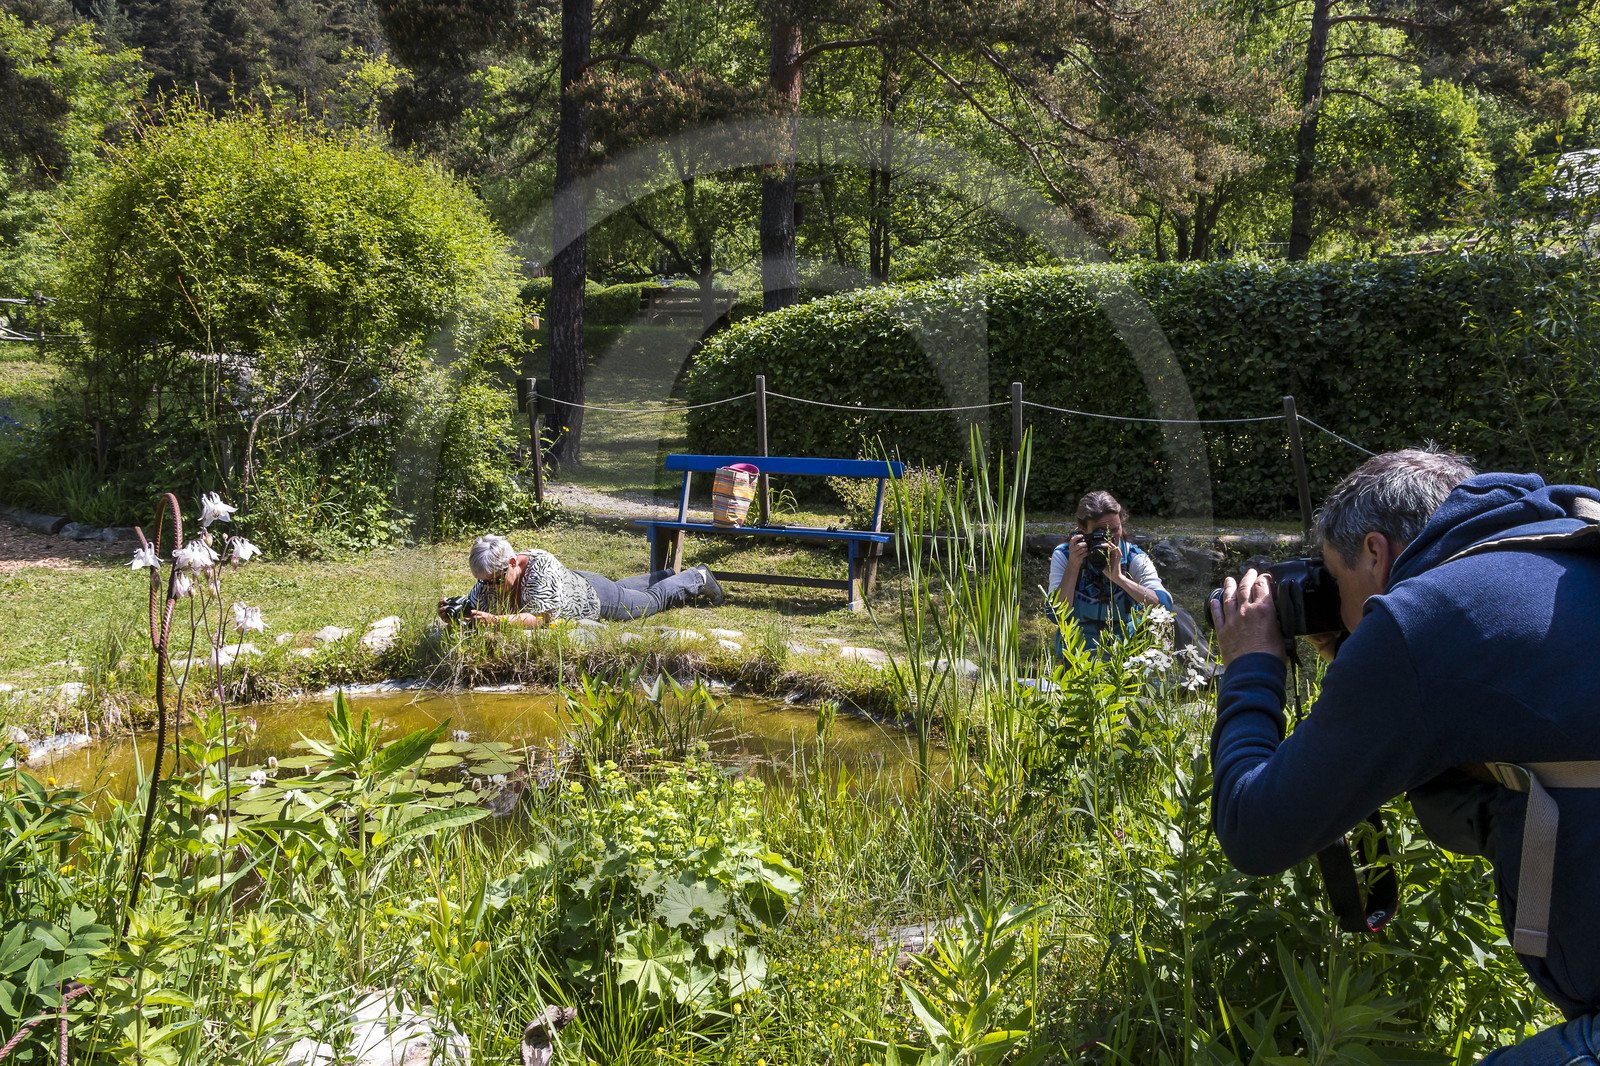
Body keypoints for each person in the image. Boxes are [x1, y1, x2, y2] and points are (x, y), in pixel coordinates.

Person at [1209, 448, 1600, 1064]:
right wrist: (1359, 662)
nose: (1338, 606)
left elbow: (1252, 827)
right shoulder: (1564, 538)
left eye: (1335, 580)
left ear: (1375, 551)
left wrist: (1252, 666)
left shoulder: (1426, 618)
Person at [438, 535, 725, 627]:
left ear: (512, 564)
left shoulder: (540, 567)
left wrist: (496, 620)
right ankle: (665, 575)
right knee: (622, 589)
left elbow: (542, 619)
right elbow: (474, 604)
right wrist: (455, 612)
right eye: (484, 582)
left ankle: (697, 577)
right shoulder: (491, 574)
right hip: (580, 582)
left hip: (595, 598)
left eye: (495, 581)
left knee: (653, 601)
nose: (489, 588)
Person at [1048, 490, 1174, 655]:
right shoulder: (1065, 555)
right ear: (1083, 529)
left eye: (1115, 529)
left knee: (1182, 617)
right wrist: (1073, 566)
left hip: (1125, 651)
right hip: (1079, 652)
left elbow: (1164, 606)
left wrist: (1120, 578)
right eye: (1101, 532)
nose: (1110, 538)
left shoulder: (1133, 557)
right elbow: (1054, 615)